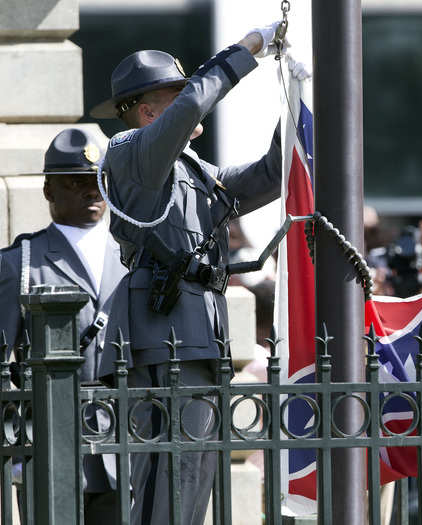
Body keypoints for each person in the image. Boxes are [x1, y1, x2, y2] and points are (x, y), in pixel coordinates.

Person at [89, 22, 307, 525]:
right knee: (169, 484)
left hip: (196, 337)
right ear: (148, 112)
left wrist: (293, 96)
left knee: (192, 481)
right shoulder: (131, 153)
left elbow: (275, 173)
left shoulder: (194, 172)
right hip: (164, 338)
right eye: (177, 97)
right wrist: (245, 51)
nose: (199, 116)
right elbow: (194, 105)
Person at [0, 128, 126, 524]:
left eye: (99, 181)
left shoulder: (134, 255)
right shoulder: (19, 262)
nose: (92, 192)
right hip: (49, 442)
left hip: (124, 443)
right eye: (77, 182)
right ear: (49, 191)